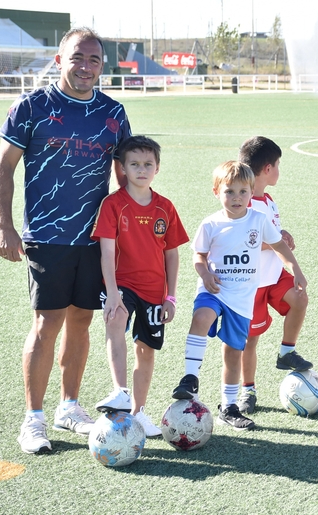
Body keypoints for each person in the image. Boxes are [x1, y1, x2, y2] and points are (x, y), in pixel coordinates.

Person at [0, 27, 132, 454]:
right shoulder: (33, 106)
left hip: (95, 240)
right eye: (77, 58)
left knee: (81, 320)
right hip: (46, 237)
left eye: (93, 59)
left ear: (101, 65)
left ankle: (68, 406)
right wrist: (4, 225)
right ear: (60, 60)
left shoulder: (114, 112)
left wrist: (128, 232)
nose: (86, 66)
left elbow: (125, 176)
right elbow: (4, 168)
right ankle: (32, 419)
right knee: (47, 322)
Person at [170, 161, 307, 432]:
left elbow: (279, 244)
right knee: (201, 317)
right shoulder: (210, 224)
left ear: (251, 191)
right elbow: (198, 255)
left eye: (243, 192)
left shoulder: (258, 219)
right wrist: (205, 274)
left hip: (242, 298)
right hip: (215, 289)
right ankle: (189, 378)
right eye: (229, 191)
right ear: (216, 192)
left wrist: (296, 270)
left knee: (233, 353)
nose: (236, 198)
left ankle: (229, 407)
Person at [90, 136, 189, 437]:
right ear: (122, 168)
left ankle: (139, 413)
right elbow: (106, 252)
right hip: (122, 284)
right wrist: (113, 293)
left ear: (157, 168)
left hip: (155, 291)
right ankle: (120, 390)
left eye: (148, 164)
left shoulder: (165, 208)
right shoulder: (113, 204)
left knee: (146, 350)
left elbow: (172, 254)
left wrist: (170, 297)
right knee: (116, 319)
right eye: (134, 164)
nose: (141, 169)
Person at [235, 136, 312, 415]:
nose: (279, 170)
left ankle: (286, 352)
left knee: (300, 299)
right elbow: (247, 240)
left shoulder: (268, 200)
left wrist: (283, 237)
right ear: (267, 168)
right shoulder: (241, 201)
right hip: (252, 283)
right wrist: (276, 239)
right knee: (249, 341)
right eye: (278, 165)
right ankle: (248, 390)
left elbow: (273, 237)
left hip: (275, 275)